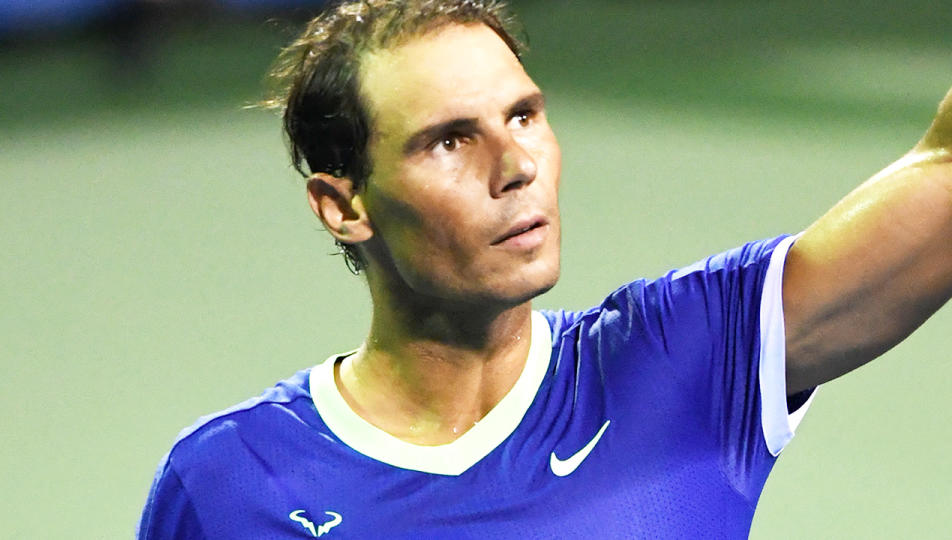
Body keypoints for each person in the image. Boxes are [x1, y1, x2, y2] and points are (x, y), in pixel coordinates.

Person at [137, 1, 952, 537]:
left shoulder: (685, 360)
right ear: (344, 205)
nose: (515, 164)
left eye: (524, 115)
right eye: (449, 140)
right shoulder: (228, 483)